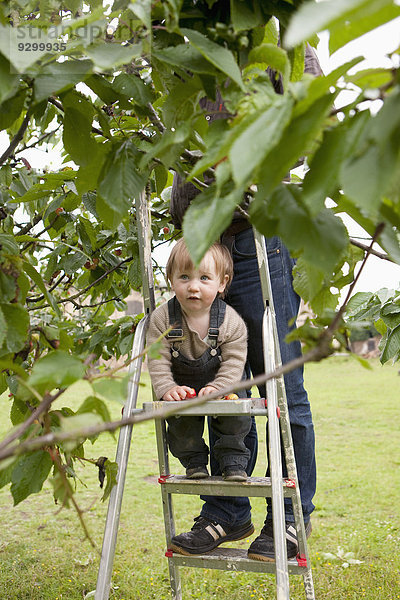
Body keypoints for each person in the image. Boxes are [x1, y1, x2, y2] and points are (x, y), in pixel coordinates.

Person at [167, 45, 322, 561]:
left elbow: (312, 121)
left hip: (259, 238)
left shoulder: (280, 37)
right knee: (210, 385)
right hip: (201, 244)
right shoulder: (187, 38)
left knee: (278, 384)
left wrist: (250, 153)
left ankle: (290, 517)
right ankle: (226, 512)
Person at [147, 238, 253, 493]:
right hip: (182, 384)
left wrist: (221, 386)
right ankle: (194, 462)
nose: (193, 286)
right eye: (184, 277)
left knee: (235, 415)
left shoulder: (231, 321)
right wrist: (166, 388)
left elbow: (235, 361)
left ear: (222, 283)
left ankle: (233, 463)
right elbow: (157, 358)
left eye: (204, 278)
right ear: (171, 279)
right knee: (181, 421)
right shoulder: (162, 318)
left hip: (221, 382)